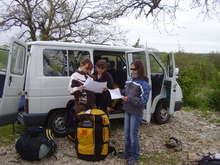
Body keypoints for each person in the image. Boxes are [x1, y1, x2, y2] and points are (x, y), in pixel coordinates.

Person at [117, 59, 150, 165]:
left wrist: (130, 99)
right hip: (127, 110)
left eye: (134, 69)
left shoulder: (144, 84)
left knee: (133, 134)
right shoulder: (129, 81)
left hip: (136, 112)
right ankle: (127, 152)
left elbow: (144, 100)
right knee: (126, 134)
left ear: (140, 70)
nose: (132, 71)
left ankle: (135, 156)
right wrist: (114, 91)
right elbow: (124, 92)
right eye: (131, 69)